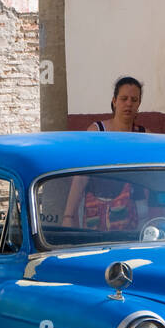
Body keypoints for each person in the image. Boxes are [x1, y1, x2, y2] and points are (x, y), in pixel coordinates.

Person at [63, 77, 146, 231]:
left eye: (134, 100)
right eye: (124, 99)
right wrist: (69, 216)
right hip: (94, 210)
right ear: (114, 101)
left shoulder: (144, 135)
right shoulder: (97, 132)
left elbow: (148, 179)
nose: (129, 103)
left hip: (130, 214)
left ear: (139, 104)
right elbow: (81, 177)